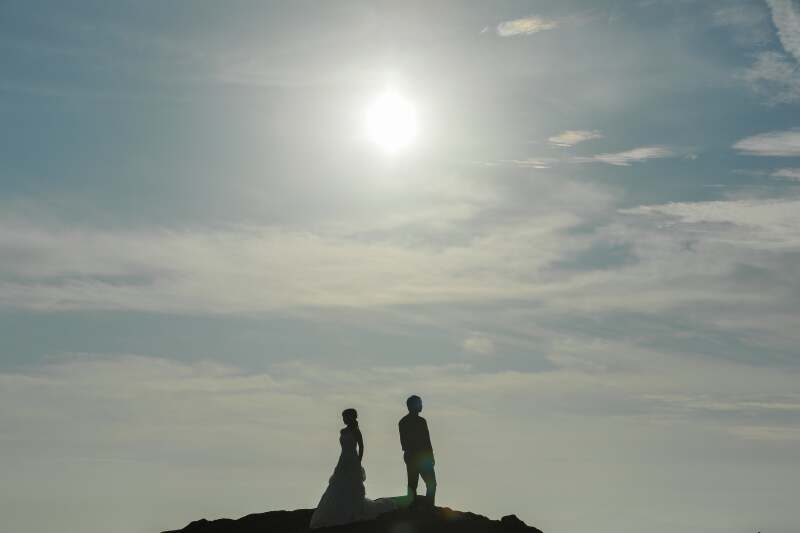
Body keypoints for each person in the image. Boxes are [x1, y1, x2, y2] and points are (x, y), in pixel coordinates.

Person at [309, 408, 395, 528]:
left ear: (351, 417)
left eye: (345, 417)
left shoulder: (356, 431)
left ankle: (353, 509)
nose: (344, 419)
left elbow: (361, 446)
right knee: (338, 484)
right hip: (343, 459)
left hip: (353, 459)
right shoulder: (342, 431)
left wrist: (358, 461)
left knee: (352, 484)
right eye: (343, 417)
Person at [398, 395, 437, 507]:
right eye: (419, 403)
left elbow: (426, 440)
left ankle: (423, 506)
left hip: (415, 455)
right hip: (417, 456)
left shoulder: (405, 422)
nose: (421, 406)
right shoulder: (415, 422)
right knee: (422, 484)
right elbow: (425, 441)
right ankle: (426, 507)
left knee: (414, 484)